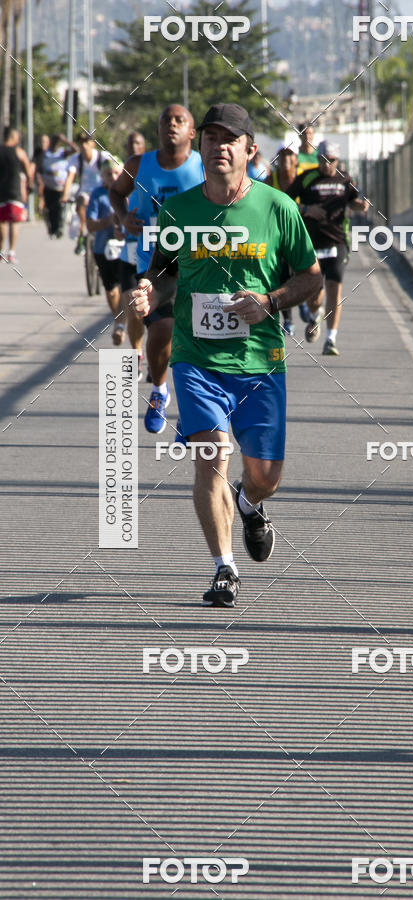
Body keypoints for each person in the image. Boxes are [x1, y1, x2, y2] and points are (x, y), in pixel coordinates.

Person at [131, 102, 322, 607]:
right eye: (211, 137)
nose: (218, 146)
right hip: (197, 360)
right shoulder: (181, 211)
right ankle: (224, 567)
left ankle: (250, 504)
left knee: (265, 475)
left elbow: (310, 276)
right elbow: (163, 268)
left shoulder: (278, 208)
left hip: (262, 361)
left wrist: (272, 301)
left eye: (229, 139)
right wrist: (148, 290)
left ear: (249, 149)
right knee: (210, 456)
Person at [109, 105, 205, 432]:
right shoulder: (139, 164)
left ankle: (196, 421)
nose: (172, 125)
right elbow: (116, 191)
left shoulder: (204, 166)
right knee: (162, 331)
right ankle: (160, 390)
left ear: (192, 132)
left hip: (199, 265)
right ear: (159, 129)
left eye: (180, 121)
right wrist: (123, 217)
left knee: (199, 344)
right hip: (154, 267)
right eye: (166, 120)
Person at [287, 140, 368, 356]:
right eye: (323, 160)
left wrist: (359, 206)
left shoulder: (345, 180)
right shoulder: (307, 178)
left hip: (337, 242)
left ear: (337, 160)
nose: (327, 165)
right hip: (311, 243)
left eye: (331, 161)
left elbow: (352, 201)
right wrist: (306, 208)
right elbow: (285, 201)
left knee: (335, 288)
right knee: (314, 294)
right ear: (317, 158)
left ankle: (331, 339)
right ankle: (315, 316)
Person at [116, 131, 147, 380]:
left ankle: (159, 354)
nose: (133, 147)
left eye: (138, 143)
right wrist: (120, 220)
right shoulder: (123, 178)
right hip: (128, 250)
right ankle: (136, 354)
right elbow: (112, 197)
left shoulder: (152, 176)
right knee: (131, 302)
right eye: (130, 143)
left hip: (152, 251)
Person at [86, 158, 127, 344]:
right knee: (111, 291)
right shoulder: (98, 194)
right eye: (108, 174)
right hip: (103, 249)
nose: (113, 177)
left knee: (127, 288)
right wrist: (109, 220)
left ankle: (120, 325)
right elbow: (90, 225)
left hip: (126, 249)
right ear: (102, 176)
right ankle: (119, 319)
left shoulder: (130, 191)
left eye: (116, 173)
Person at [266, 140, 300, 337]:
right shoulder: (271, 181)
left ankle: (303, 304)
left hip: (301, 235)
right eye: (282, 155)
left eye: (289, 155)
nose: (286, 159)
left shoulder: (302, 179)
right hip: (278, 236)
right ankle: (288, 319)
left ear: (295, 159)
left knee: (304, 274)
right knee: (282, 277)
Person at [61, 133, 111, 254]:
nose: (83, 146)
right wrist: (65, 195)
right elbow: (70, 178)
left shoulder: (102, 156)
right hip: (85, 192)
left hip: (101, 192)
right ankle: (83, 234)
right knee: (81, 202)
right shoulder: (76, 159)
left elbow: (114, 168)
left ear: (93, 144)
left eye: (86, 143)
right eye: (81, 143)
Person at [0, 127, 34, 264]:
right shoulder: (19, 152)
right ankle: (12, 252)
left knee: (1, 221)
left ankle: (1, 251)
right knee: (14, 221)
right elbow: (28, 170)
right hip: (15, 190)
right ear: (13, 137)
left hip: (0, 191)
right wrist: (30, 185)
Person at [38, 133, 77, 238]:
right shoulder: (45, 154)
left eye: (57, 142)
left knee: (59, 208)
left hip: (60, 187)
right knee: (50, 209)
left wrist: (66, 140)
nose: (55, 144)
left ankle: (59, 228)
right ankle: (52, 229)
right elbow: (40, 169)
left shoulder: (62, 153)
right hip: (49, 186)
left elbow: (76, 150)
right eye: (54, 141)